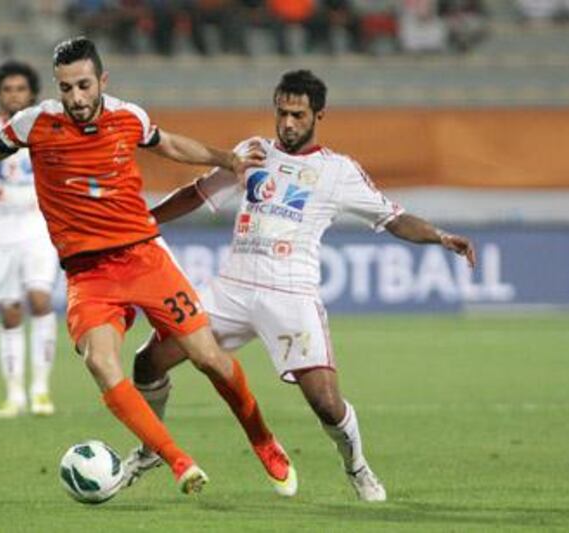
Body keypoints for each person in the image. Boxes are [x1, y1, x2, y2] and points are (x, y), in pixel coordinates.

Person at [0, 37, 295, 496]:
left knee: (209, 357)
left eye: (84, 86)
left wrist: (225, 158)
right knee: (101, 363)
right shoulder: (34, 123)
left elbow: (167, 143)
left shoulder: (128, 116)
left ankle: (263, 439)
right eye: (66, 88)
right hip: (89, 275)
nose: (76, 98)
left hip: (144, 257)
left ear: (102, 81)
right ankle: (176, 461)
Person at [123, 69, 477, 501]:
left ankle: (357, 466)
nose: (287, 123)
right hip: (232, 289)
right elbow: (197, 194)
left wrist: (440, 237)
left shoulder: (338, 171)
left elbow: (392, 217)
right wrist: (142, 221)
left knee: (327, 404)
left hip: (290, 296)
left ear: (318, 115)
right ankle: (149, 449)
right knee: (148, 361)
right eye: (282, 112)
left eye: (298, 114)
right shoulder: (251, 152)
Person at [0, 61, 59, 418]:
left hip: (39, 224)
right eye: (7, 89)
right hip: (2, 228)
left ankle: (40, 390)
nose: (14, 95)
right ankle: (13, 395)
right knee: (9, 312)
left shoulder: (45, 128)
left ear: (32, 93)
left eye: (20, 89)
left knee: (39, 300)